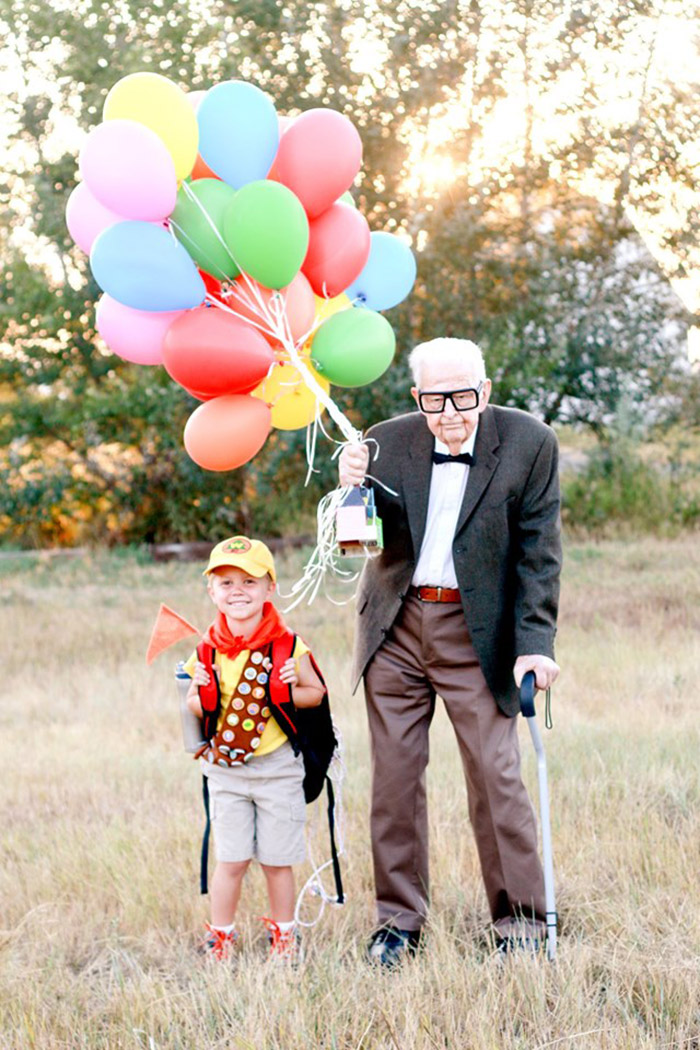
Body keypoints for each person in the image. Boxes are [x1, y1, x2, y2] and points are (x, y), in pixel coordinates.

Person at [338, 337, 561, 967]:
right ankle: (397, 925)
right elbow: (365, 534)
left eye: (464, 396)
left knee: (497, 774)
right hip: (397, 626)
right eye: (436, 399)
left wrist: (535, 645)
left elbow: (539, 555)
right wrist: (350, 486)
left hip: (479, 631)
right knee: (395, 780)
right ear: (418, 398)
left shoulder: (529, 443)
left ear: (485, 391)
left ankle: (519, 923)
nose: (451, 411)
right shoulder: (387, 439)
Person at [182, 535, 325, 962]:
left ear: (269, 588)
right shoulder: (207, 649)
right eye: (226, 583)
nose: (237, 591)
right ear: (212, 591)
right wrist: (199, 693)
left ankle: (284, 934)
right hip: (226, 770)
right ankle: (220, 936)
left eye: (249, 581)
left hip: (278, 767)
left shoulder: (287, 645)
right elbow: (192, 702)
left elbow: (315, 693)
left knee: (278, 860)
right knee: (232, 858)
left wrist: (289, 684)